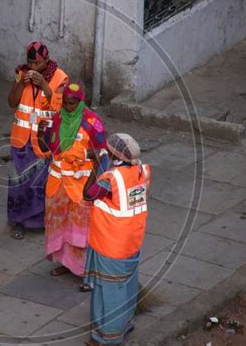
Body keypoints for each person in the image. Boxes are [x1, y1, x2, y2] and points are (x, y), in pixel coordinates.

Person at [82, 133, 151, 346]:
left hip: (110, 243)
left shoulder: (112, 179)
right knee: (127, 284)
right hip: (132, 239)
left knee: (108, 291)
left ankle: (106, 336)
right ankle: (125, 323)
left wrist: (95, 163)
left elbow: (88, 194)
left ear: (113, 154)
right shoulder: (142, 170)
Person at [37, 83, 106, 291]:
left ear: (80, 101)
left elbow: (103, 152)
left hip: (80, 185)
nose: (67, 107)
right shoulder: (56, 119)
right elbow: (47, 148)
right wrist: (40, 134)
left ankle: (84, 269)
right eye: (65, 102)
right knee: (59, 222)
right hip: (58, 183)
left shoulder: (93, 123)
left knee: (81, 227)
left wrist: (84, 157)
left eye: (72, 103)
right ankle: (65, 263)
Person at [7, 42, 68, 239]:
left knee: (41, 183)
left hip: (43, 140)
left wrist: (44, 85)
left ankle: (41, 220)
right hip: (21, 139)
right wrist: (20, 83)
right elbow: (11, 102)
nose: (33, 67)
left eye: (37, 63)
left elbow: (61, 108)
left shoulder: (60, 78)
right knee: (19, 182)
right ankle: (18, 221)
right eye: (30, 63)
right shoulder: (21, 74)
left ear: (46, 61)